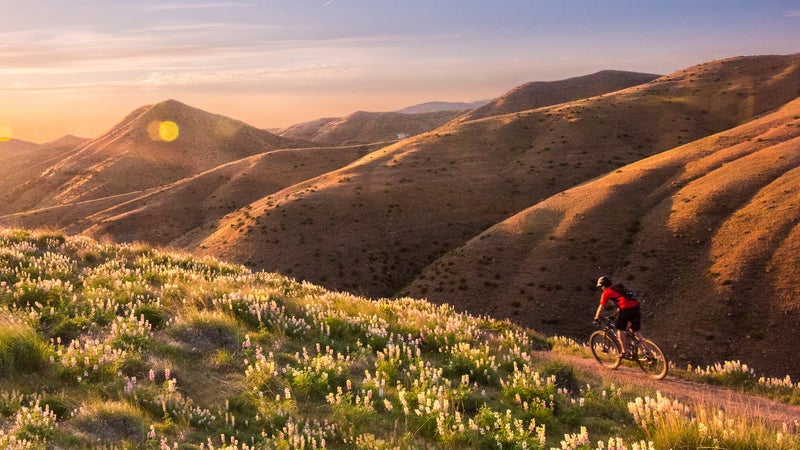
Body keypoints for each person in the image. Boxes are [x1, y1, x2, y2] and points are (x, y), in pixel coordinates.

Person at [593, 276, 641, 357]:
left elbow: (601, 307)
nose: (601, 288)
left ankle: (625, 352)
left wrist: (596, 318)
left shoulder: (606, 293)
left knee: (619, 329)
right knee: (634, 330)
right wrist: (617, 313)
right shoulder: (618, 286)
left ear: (604, 285)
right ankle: (648, 352)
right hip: (635, 306)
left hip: (626, 309)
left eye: (601, 286)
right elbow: (623, 298)